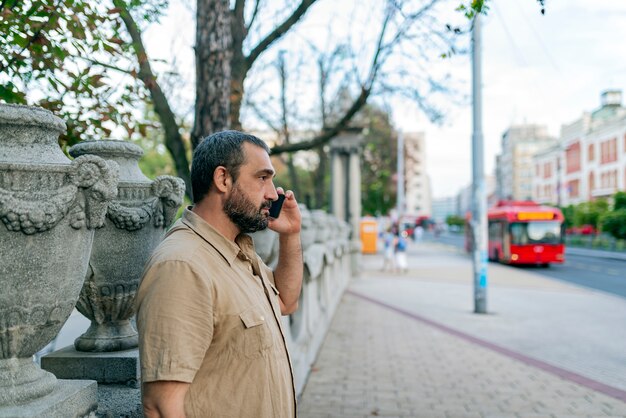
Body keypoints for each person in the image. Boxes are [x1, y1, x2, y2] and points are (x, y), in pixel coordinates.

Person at [135, 130, 303, 418]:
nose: (273, 193)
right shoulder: (182, 265)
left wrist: (291, 235)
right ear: (223, 179)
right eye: (263, 177)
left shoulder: (235, 250)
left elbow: (286, 302)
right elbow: (162, 407)